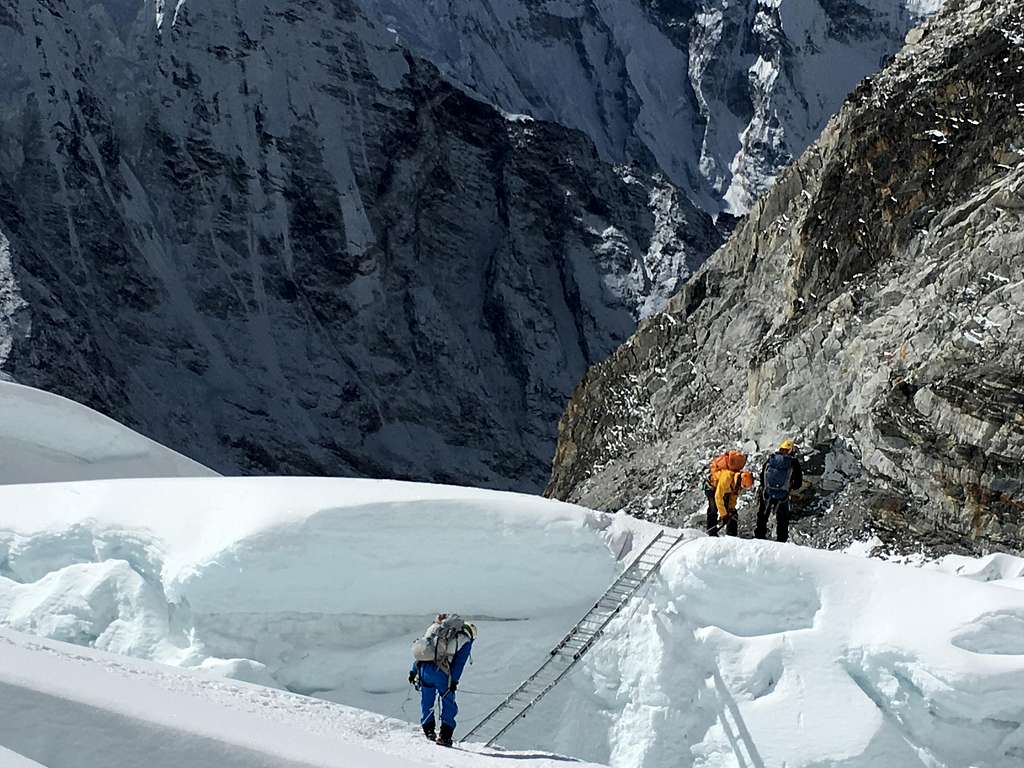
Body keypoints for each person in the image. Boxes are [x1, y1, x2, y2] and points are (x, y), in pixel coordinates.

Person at [409, 613, 476, 747]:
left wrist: (413, 671)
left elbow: (424, 650)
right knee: (448, 703)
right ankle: (445, 736)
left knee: (427, 699)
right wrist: (454, 681)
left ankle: (428, 730)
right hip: (441, 672)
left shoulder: (434, 629)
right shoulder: (465, 640)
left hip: (424, 669)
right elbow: (458, 664)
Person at [755, 439, 804, 542]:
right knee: (782, 518)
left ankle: (759, 536)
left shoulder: (771, 459)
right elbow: (798, 482)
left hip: (767, 492)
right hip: (783, 495)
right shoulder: (793, 462)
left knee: (763, 515)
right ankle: (781, 540)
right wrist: (790, 487)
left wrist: (765, 487)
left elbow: (762, 475)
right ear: (791, 450)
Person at [705, 450, 754, 536]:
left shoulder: (737, 484)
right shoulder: (727, 477)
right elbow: (718, 496)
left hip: (723, 490)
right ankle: (711, 532)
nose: (741, 488)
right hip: (712, 488)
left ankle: (731, 535)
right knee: (713, 508)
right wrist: (724, 515)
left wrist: (730, 510)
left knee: (733, 513)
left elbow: (733, 497)